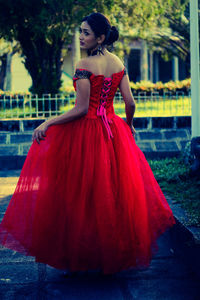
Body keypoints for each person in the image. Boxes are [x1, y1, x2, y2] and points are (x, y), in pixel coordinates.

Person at [0, 12, 175, 275]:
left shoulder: (84, 66)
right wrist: (128, 125)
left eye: (86, 33)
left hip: (87, 133)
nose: (81, 37)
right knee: (112, 193)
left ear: (100, 37)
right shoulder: (118, 63)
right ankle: (109, 252)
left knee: (82, 194)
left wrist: (48, 122)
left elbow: (81, 110)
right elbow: (131, 103)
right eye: (80, 31)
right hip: (114, 132)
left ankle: (86, 254)